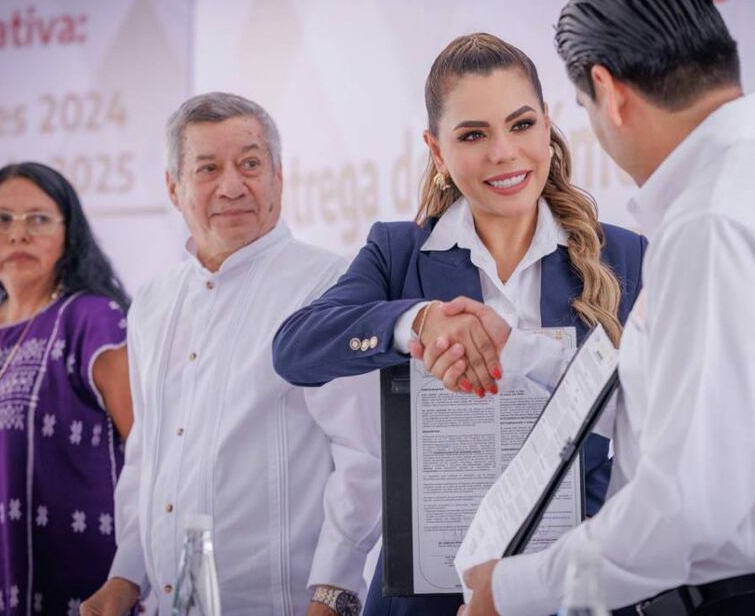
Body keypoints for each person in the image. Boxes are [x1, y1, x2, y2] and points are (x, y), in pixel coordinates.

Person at [453, 0, 755, 616]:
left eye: (581, 110)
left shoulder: (712, 219)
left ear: (609, 89)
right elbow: (670, 407)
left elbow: (689, 504)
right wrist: (517, 352)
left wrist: (510, 591)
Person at [273, 32, 647, 616]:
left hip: (575, 592)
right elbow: (294, 349)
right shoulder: (398, 253)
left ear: (548, 125)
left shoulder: (624, 257)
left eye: (521, 125)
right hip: (429, 598)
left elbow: (655, 424)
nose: (503, 152)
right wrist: (417, 320)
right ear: (436, 148)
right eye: (473, 134)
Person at [79, 92, 381, 616]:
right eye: (208, 168)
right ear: (174, 189)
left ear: (279, 178)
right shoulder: (153, 300)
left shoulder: (329, 286)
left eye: (250, 164)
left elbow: (364, 457)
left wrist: (332, 595)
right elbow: (148, 452)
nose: (233, 186)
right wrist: (125, 575)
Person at [0, 162, 133, 616]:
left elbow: (149, 447)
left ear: (69, 233)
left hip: (89, 595)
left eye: (38, 219)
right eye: (1, 219)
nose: (17, 234)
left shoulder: (92, 319)